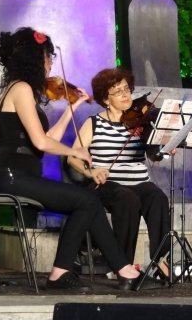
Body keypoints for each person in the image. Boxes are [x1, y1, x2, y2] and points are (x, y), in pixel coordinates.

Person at [0, 27, 158, 292]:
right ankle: (63, 273)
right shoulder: (21, 88)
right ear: (35, 58)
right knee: (86, 200)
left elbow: (48, 137)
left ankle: (124, 271)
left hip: (22, 175)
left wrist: (72, 107)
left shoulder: (24, 89)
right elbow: (41, 143)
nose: (50, 64)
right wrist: (74, 151)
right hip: (9, 175)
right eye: (47, 57)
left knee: (88, 202)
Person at [67, 68, 171, 276]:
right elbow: (72, 157)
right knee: (127, 198)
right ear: (106, 99)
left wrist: (164, 148)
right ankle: (123, 265)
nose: (125, 94)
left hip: (139, 182)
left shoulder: (142, 121)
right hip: (107, 184)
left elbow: (154, 157)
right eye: (118, 91)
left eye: (126, 89)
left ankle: (162, 260)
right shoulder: (94, 123)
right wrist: (91, 172)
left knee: (157, 197)